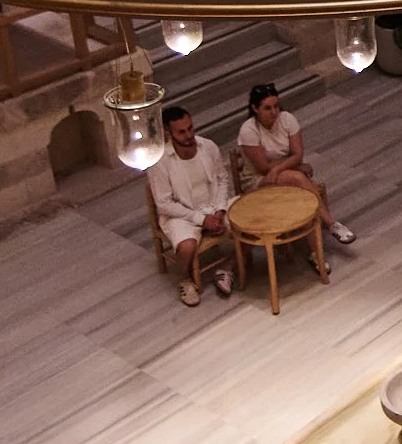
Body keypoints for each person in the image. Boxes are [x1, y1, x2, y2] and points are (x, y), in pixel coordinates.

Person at [237, 83, 355, 247]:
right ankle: (330, 224)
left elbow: (298, 155)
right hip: (258, 179)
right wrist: (292, 166)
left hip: (283, 172)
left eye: (276, 106)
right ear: (255, 108)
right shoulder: (249, 130)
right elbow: (263, 167)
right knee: (298, 178)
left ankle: (315, 249)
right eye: (268, 108)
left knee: (299, 185)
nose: (274, 112)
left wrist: (282, 167)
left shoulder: (287, 119)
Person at [149, 105, 234, 308]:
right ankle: (185, 280)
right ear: (168, 133)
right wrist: (202, 220)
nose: (188, 136)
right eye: (181, 132)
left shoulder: (208, 147)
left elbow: (222, 179)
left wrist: (220, 211)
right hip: (182, 216)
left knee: (251, 219)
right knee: (187, 246)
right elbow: (164, 204)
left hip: (213, 207)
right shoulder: (160, 162)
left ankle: (228, 268)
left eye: (190, 128)